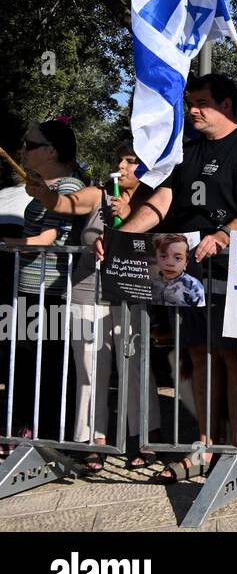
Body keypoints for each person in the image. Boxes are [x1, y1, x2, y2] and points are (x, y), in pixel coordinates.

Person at [105, 73, 237, 483]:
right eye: (191, 102)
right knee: (198, 354)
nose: (193, 110)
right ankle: (204, 443)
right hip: (187, 272)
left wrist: (224, 234)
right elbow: (161, 201)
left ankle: (235, 447)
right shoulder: (187, 149)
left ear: (228, 105)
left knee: (234, 357)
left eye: (201, 102)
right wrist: (121, 235)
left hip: (233, 268)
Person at [24, 142, 163, 469]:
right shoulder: (98, 194)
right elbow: (64, 204)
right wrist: (44, 194)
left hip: (132, 287)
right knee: (90, 364)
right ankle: (93, 438)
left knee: (135, 363)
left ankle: (142, 436)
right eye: (121, 160)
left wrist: (129, 219)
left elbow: (163, 244)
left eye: (132, 161)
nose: (124, 166)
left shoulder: (154, 200)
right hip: (89, 287)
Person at [6, 120, 88, 442]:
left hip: (50, 290)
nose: (24, 150)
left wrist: (6, 245)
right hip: (31, 287)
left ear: (51, 150)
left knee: (48, 362)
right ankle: (29, 428)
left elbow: (47, 238)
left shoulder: (67, 188)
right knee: (28, 358)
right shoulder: (46, 186)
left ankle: (47, 432)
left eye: (31, 145)